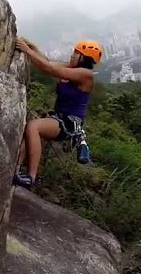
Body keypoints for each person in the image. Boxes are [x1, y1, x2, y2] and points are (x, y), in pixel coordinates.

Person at [12, 37, 102, 189]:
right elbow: (47, 63)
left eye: (76, 53)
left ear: (84, 58)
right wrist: (32, 48)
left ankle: (31, 177)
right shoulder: (72, 68)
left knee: (33, 127)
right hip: (59, 118)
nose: (71, 56)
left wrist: (27, 51)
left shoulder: (85, 74)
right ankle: (16, 169)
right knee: (29, 132)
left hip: (68, 123)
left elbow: (50, 69)